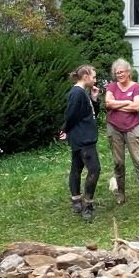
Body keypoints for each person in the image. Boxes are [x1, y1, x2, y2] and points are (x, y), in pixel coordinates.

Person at [103, 58, 139, 206]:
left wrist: (116, 106)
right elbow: (107, 103)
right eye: (117, 73)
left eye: (122, 72)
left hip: (132, 127)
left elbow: (136, 107)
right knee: (118, 162)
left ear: (128, 72)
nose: (119, 75)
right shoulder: (112, 87)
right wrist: (126, 103)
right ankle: (121, 193)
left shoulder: (138, 88)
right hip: (114, 127)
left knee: (138, 161)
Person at [59, 65, 102, 220]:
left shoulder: (82, 93)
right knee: (94, 170)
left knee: (76, 168)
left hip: (81, 137)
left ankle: (76, 201)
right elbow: (70, 115)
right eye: (94, 77)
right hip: (83, 139)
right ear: (85, 76)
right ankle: (87, 206)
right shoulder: (77, 93)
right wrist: (65, 130)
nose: (95, 80)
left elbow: (89, 115)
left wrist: (94, 99)